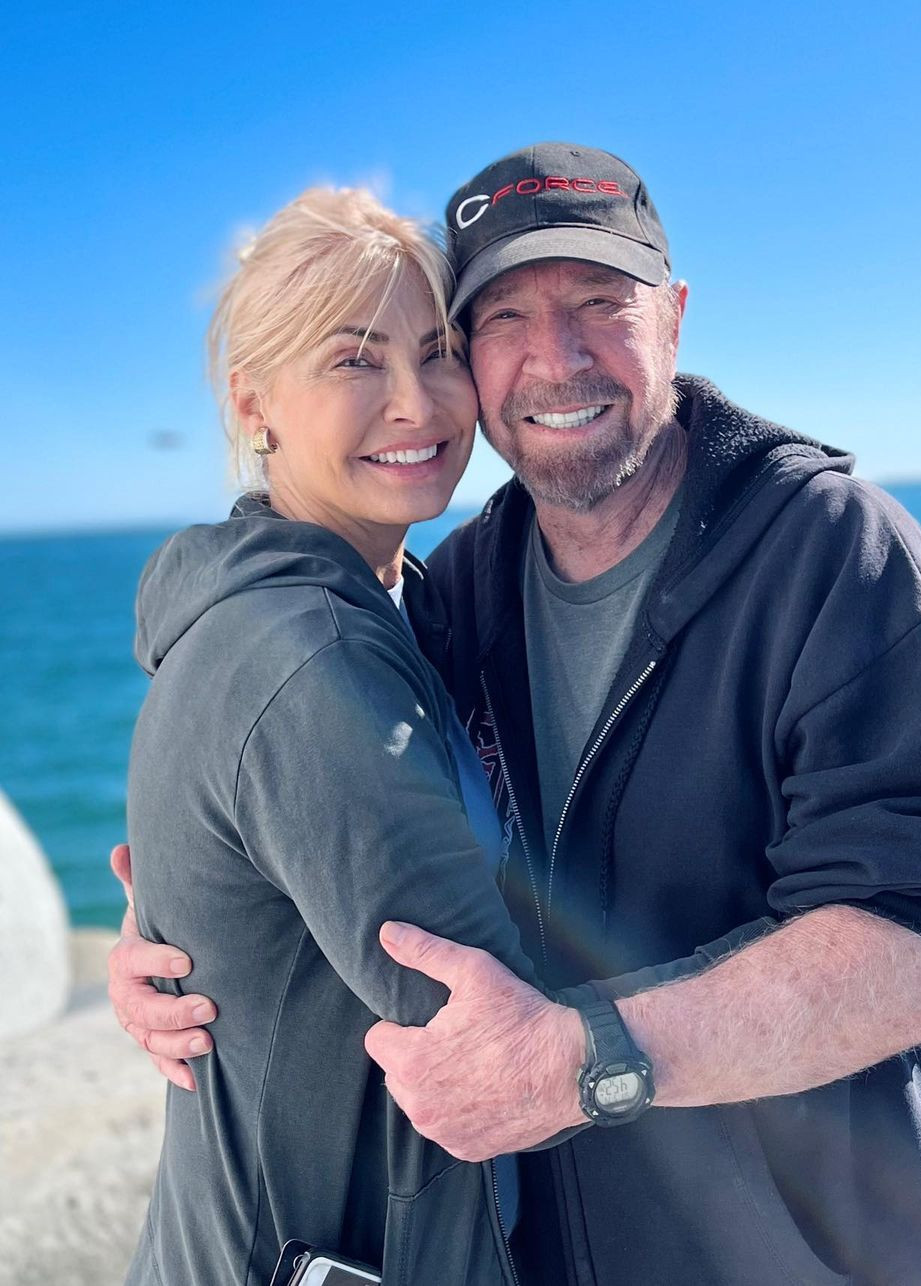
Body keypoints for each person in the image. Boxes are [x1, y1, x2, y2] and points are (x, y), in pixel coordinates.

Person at [110, 145, 921, 1285]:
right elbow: (336, 816)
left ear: (674, 318)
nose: (555, 358)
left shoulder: (832, 553)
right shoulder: (459, 595)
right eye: (501, 320)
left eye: (601, 301)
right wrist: (199, 938)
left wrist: (584, 1056)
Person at [117, 185, 584, 1286]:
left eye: (437, 354)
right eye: (353, 361)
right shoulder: (305, 658)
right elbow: (491, 1038)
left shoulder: (397, 605)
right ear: (255, 405)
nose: (415, 403)